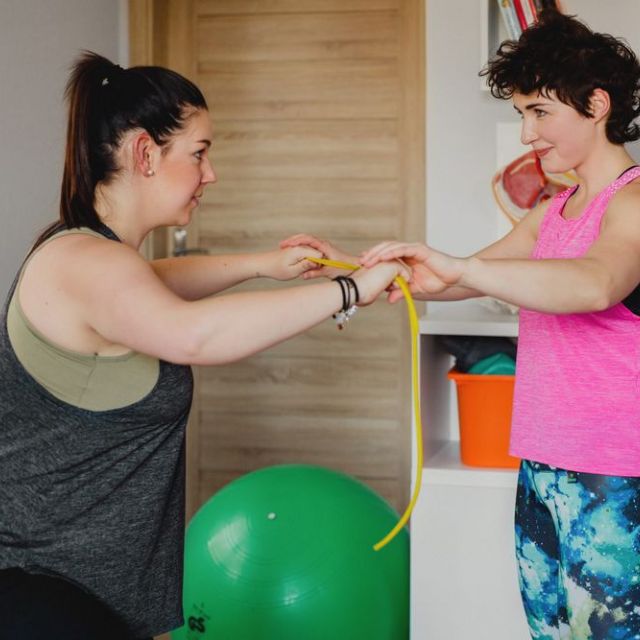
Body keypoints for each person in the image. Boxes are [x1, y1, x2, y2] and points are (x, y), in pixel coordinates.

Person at [0, 52, 404, 640]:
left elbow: (159, 282)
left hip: (83, 593)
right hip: (42, 595)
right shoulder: (83, 263)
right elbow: (194, 333)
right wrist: (350, 291)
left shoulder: (97, 257)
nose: (210, 174)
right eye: (198, 153)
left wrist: (265, 264)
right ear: (145, 153)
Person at [285, 10, 640, 640]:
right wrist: (363, 273)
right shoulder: (554, 211)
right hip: (541, 460)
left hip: (613, 472)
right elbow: (458, 278)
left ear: (596, 105)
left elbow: (596, 284)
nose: (527, 132)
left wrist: (464, 267)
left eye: (539, 112)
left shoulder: (634, 200)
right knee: (551, 630)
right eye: (522, 114)